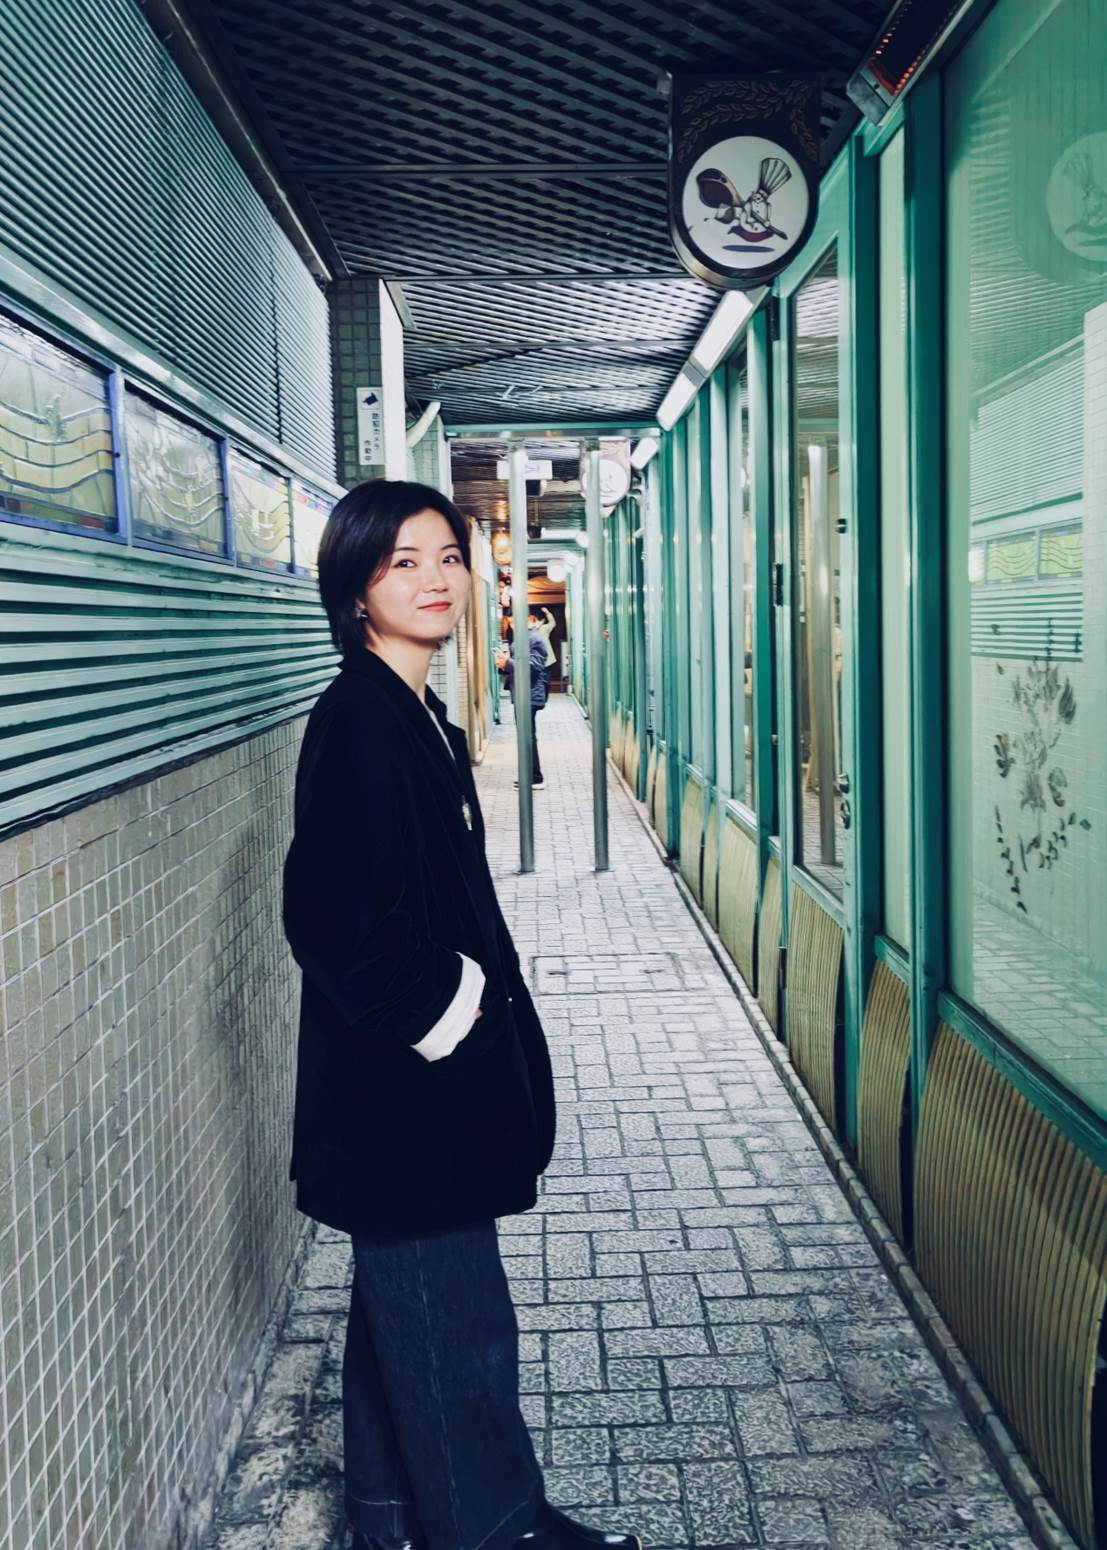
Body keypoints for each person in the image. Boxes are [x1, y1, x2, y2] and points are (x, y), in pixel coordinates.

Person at [281, 481, 640, 1550]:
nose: (435, 579)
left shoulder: (413, 713)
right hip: (406, 1100)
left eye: (447, 557)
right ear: (355, 590)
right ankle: (498, 1530)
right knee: (457, 1331)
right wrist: (457, 1010)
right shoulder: (360, 724)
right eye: (403, 562)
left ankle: (389, 1522)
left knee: (402, 1322)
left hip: (404, 1101)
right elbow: (333, 924)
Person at [497, 614, 550, 790]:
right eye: (511, 622)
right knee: (526, 736)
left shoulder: (534, 639)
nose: (512, 625)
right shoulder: (524, 638)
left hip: (529, 694)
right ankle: (532, 776)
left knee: (527, 737)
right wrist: (504, 665)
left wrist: (508, 662)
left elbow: (534, 666)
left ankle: (534, 777)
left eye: (514, 621)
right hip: (523, 694)